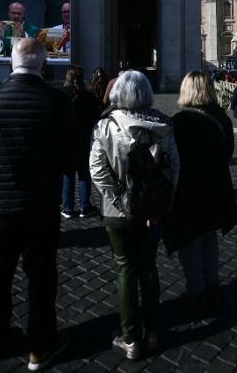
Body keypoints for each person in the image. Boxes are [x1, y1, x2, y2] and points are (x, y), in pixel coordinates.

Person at [0, 39, 76, 369]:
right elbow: (71, 151)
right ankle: (39, 346)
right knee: (42, 275)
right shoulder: (56, 99)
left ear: (10, 61)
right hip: (41, 203)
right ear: (44, 65)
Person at [90, 70, 180, 360]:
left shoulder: (105, 125)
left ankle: (130, 339)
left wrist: (120, 202)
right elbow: (173, 170)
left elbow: (97, 171)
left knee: (125, 269)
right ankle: (153, 333)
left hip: (118, 214)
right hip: (153, 212)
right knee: (149, 268)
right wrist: (161, 205)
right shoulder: (164, 124)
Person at [167, 71, 237, 318]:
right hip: (216, 189)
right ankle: (212, 286)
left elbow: (172, 162)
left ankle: (195, 293)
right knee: (209, 238)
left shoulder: (179, 122)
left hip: (189, 193)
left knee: (190, 243)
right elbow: (228, 152)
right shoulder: (222, 118)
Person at [61, 65, 100, 220]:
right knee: (84, 174)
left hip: (67, 141)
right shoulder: (89, 97)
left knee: (68, 175)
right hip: (84, 140)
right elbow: (95, 118)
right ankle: (85, 206)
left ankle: (67, 207)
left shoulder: (62, 96)